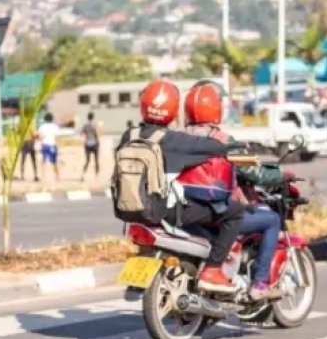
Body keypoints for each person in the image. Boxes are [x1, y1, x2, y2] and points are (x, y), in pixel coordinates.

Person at [116, 78, 244, 294]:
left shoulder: (129, 135)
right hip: (166, 211)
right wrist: (234, 146)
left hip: (129, 212)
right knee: (235, 213)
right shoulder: (174, 140)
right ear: (174, 110)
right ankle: (213, 270)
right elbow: (213, 147)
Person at [180, 80, 292, 301]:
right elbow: (255, 174)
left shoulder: (177, 138)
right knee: (270, 220)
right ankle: (259, 284)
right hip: (216, 212)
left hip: (184, 212)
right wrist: (282, 175)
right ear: (217, 107)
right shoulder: (224, 141)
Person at [37, 112, 61, 182]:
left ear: (45, 119)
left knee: (43, 161)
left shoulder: (42, 127)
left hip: (44, 145)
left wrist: (40, 144)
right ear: (52, 119)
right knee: (54, 162)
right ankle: (57, 176)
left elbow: (40, 136)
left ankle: (43, 176)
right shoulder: (55, 127)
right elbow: (57, 137)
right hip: (52, 145)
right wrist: (58, 146)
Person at [81, 112, 101, 179]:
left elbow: (81, 133)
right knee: (96, 160)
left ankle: (83, 174)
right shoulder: (95, 125)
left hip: (87, 144)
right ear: (93, 117)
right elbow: (97, 134)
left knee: (87, 160)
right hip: (95, 143)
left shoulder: (85, 125)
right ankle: (96, 176)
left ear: (87, 117)